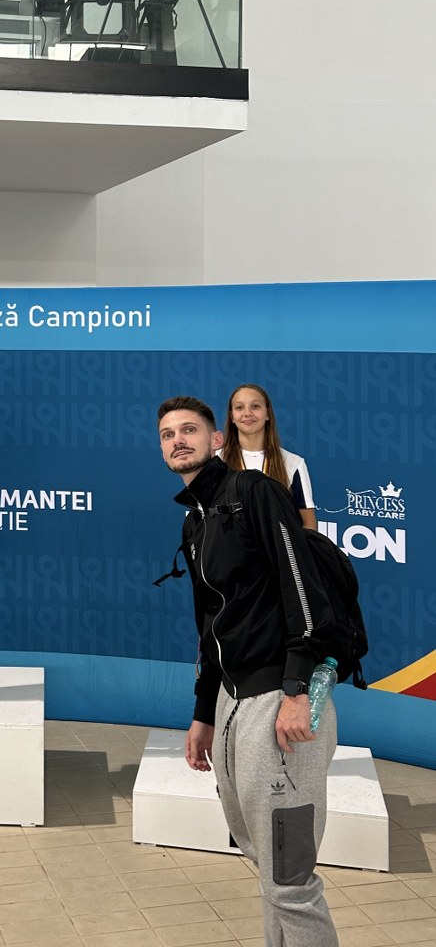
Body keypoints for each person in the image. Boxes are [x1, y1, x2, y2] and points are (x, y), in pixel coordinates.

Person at [157, 395, 338, 947]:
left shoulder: (255, 491)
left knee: (289, 878)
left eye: (189, 430)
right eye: (167, 434)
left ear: (217, 440)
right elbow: (209, 626)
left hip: (281, 700)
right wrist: (203, 714)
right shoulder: (196, 519)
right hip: (232, 705)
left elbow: (303, 587)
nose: (177, 440)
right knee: (267, 865)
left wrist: (298, 690)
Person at [220, 383, 317, 530]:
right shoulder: (216, 461)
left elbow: (309, 525)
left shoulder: (293, 463)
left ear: (267, 414)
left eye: (255, 406)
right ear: (232, 416)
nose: (247, 413)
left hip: (276, 544)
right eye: (239, 407)